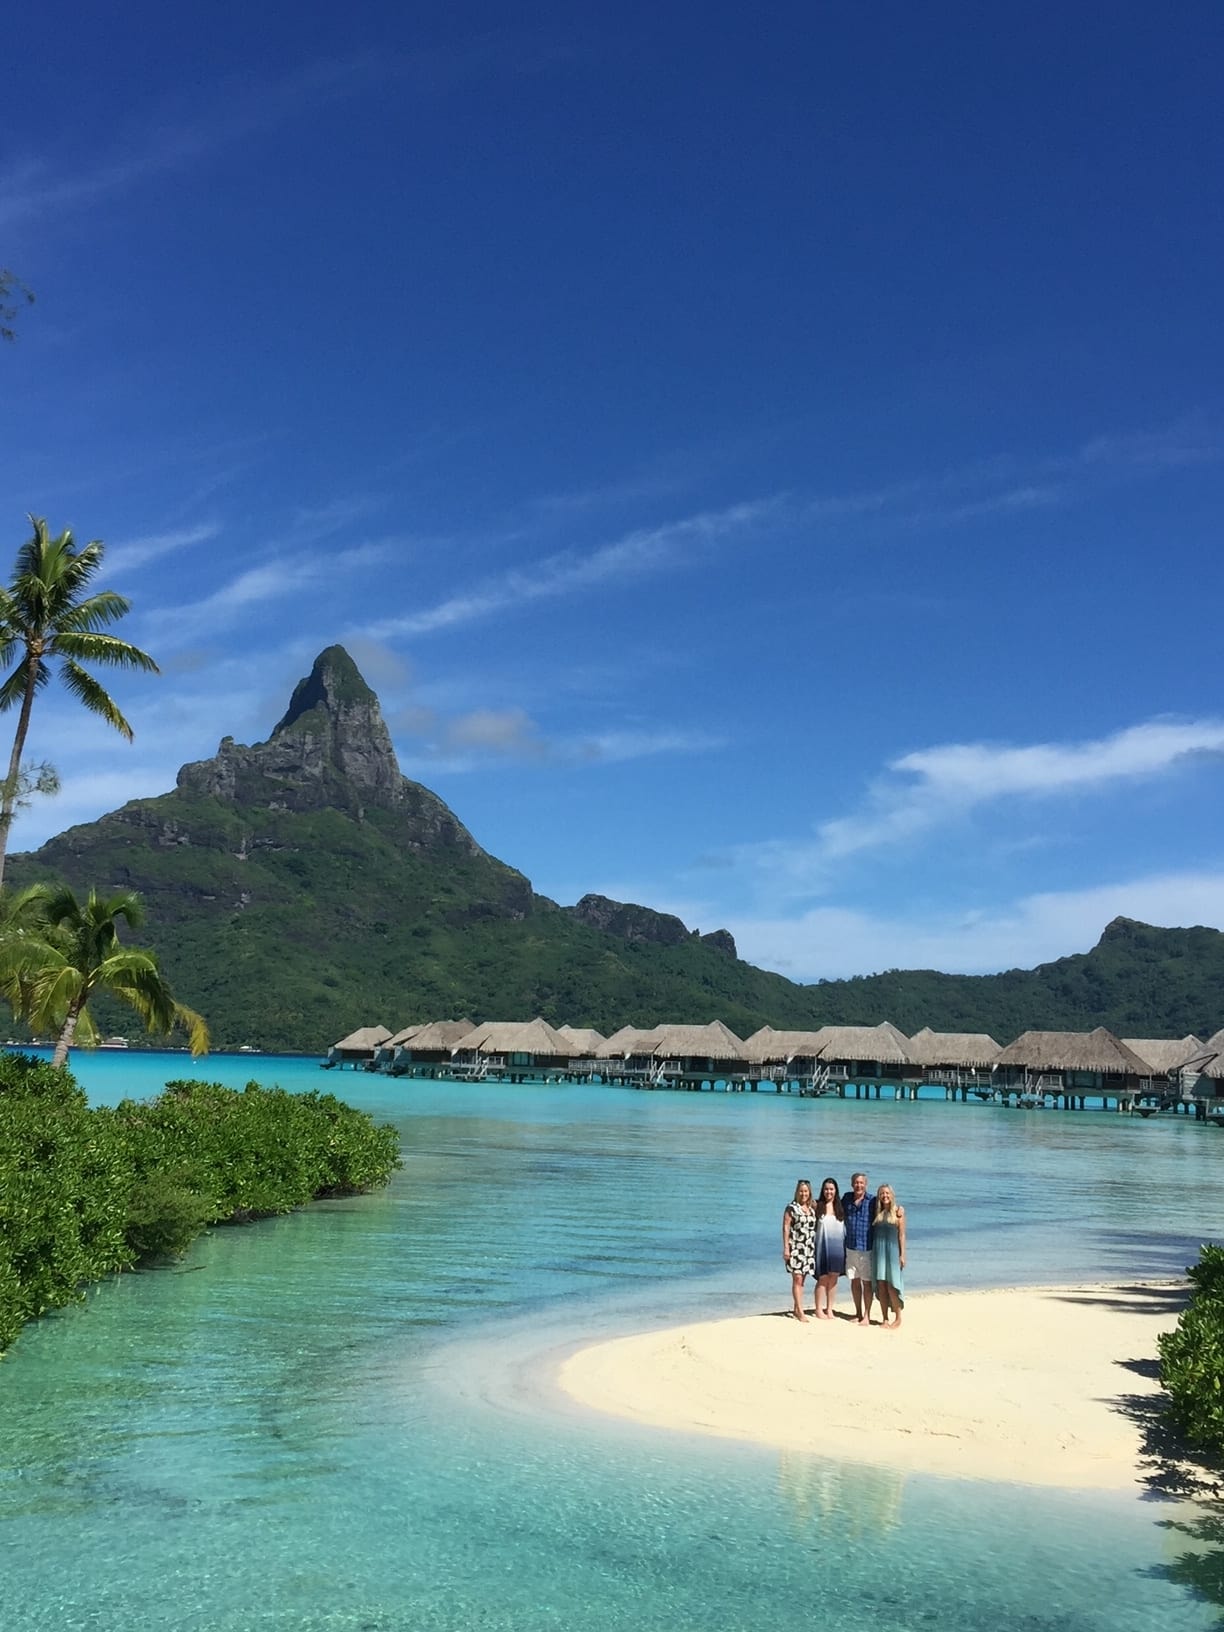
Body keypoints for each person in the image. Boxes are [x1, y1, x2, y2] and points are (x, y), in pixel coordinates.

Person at [842, 1171, 877, 1325]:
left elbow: (888, 1207)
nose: (858, 1185)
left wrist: (899, 1211)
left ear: (866, 1185)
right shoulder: (847, 1199)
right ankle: (858, 1312)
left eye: (861, 1183)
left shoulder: (872, 1201)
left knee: (867, 1283)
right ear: (852, 1184)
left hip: (867, 1248)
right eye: (856, 1182)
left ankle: (867, 1316)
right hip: (850, 1247)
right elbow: (830, 1205)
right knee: (854, 1281)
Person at [871, 1184, 906, 1330]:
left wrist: (902, 1254)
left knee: (892, 1285)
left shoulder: (898, 1213)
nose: (884, 1196)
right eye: (882, 1194)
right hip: (878, 1251)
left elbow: (902, 1235)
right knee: (881, 1285)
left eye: (887, 1193)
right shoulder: (876, 1212)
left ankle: (898, 1318)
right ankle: (884, 1318)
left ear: (892, 1195)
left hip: (892, 1251)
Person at [782, 1179, 817, 1321]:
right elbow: (785, 1227)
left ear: (809, 1193)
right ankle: (800, 1311)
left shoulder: (812, 1207)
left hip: (808, 1248)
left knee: (802, 1280)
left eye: (806, 1191)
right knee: (797, 1278)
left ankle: (797, 1307)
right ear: (797, 1192)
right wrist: (786, 1248)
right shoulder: (791, 1208)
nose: (803, 1194)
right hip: (795, 1247)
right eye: (801, 1191)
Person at [812, 1177, 846, 1319]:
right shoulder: (817, 1205)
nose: (829, 1192)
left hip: (838, 1246)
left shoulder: (841, 1207)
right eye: (826, 1189)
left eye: (831, 1189)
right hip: (822, 1246)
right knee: (823, 1278)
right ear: (822, 1190)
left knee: (834, 1278)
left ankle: (830, 1309)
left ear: (836, 1190)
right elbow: (800, 1203)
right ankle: (819, 1309)